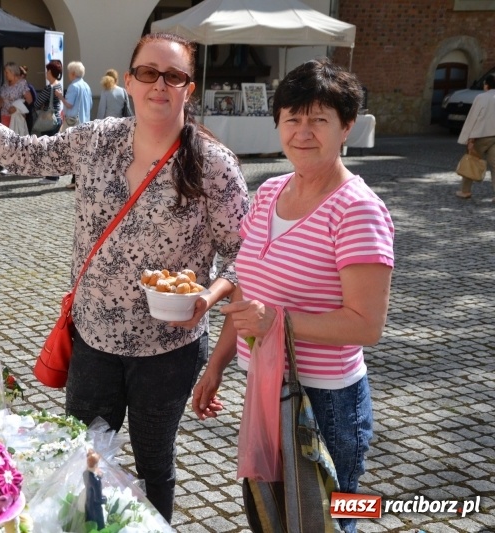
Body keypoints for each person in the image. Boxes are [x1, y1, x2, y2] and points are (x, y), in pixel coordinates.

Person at [0, 31, 248, 522]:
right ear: (130, 81)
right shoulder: (97, 140)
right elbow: (19, 151)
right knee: (83, 458)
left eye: (174, 76)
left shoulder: (212, 164)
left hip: (168, 349)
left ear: (188, 89)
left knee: (155, 462)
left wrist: (209, 295)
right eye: (149, 73)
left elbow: (248, 253)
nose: (160, 85)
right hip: (94, 338)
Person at [192, 58, 394, 533]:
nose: (303, 132)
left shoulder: (357, 210)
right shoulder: (270, 191)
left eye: (319, 119)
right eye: (292, 119)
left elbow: (367, 324)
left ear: (346, 127)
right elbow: (248, 289)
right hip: (265, 384)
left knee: (330, 518)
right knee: (273, 514)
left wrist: (277, 322)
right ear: (278, 124)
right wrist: (217, 365)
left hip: (325, 401)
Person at [455, 73, 495, 199]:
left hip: (481, 136)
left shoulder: (481, 97)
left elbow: (473, 118)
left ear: (486, 85)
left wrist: (469, 139)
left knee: (471, 161)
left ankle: (465, 191)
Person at [55, 61, 92, 189]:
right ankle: (79, 179)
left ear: (73, 73)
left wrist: (60, 96)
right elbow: (90, 104)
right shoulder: (86, 86)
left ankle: (75, 180)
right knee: (81, 152)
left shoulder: (73, 86)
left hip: (73, 123)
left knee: (73, 151)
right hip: (85, 121)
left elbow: (69, 104)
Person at [0, 62, 33, 173]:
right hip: (5, 116)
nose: (5, 74)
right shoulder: (5, 86)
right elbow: (1, 100)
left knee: (18, 141)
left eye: (7, 72)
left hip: (16, 117)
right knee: (6, 141)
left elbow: (29, 100)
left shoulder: (22, 84)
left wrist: (17, 107)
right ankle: (7, 165)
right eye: (5, 72)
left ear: (13, 72)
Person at [32, 59, 64, 183]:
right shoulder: (58, 85)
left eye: (47, 71)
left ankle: (51, 176)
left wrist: (41, 106)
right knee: (54, 147)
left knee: (49, 148)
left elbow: (37, 103)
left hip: (49, 121)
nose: (46, 73)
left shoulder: (49, 88)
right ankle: (54, 174)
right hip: (57, 119)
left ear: (50, 71)